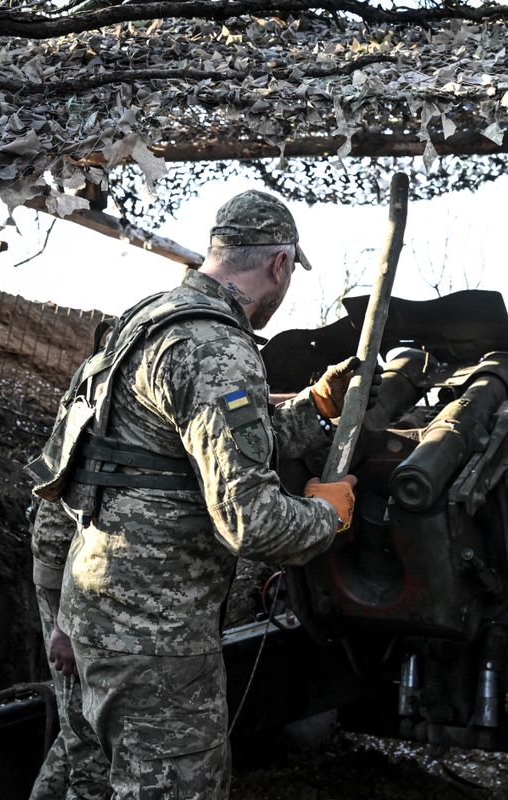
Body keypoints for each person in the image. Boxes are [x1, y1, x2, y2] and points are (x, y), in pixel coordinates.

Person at [39, 190, 364, 798]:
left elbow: (129, 464)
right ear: (279, 264)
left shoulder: (146, 321)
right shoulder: (218, 347)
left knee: (83, 780)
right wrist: (328, 514)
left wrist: (315, 408)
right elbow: (254, 523)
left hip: (91, 612)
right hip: (157, 641)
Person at [27, 499, 110, 800]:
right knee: (89, 742)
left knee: (81, 730)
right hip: (74, 589)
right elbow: (52, 530)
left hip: (94, 589)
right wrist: (64, 623)